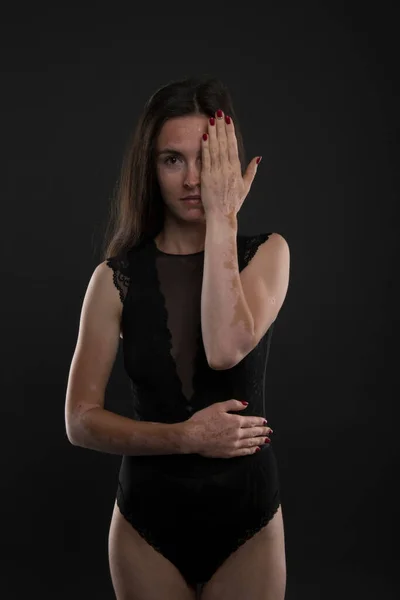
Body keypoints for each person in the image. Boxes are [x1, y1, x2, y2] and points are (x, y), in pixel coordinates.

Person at [65, 75, 290, 600]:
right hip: (148, 522)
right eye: (173, 160)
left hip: (248, 519)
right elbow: (80, 421)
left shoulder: (269, 253)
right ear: (151, 168)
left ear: (230, 162)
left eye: (206, 158)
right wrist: (184, 438)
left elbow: (225, 347)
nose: (194, 179)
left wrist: (223, 218)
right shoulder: (113, 279)